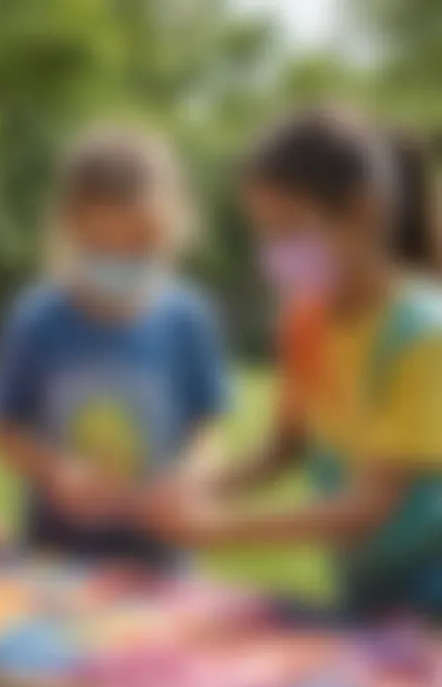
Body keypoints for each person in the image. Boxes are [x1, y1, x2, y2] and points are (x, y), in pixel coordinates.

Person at [141, 108, 442, 619]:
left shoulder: (422, 336)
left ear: (363, 213)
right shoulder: (305, 321)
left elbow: (371, 504)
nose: (274, 253)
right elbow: (287, 446)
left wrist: (220, 528)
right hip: (363, 569)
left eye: (288, 229)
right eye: (264, 232)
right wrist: (200, 486)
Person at [0, 125, 229, 567]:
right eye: (102, 244)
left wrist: (190, 477)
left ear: (173, 228)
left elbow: (206, 427)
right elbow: (1, 429)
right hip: (56, 553)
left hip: (160, 554)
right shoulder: (38, 318)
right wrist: (56, 470)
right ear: (71, 229)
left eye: (139, 245)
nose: (120, 258)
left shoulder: (186, 317)